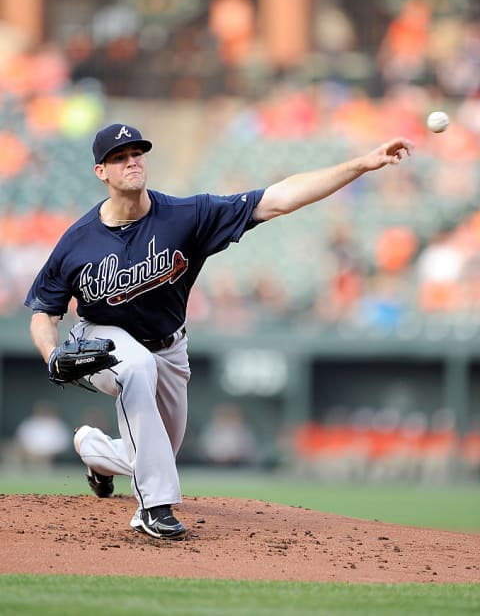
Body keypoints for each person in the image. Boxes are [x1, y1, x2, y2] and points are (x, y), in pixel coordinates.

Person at [24, 122, 413, 540]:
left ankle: (94, 451)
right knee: (135, 367)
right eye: (119, 157)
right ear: (101, 172)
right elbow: (43, 313)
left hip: (169, 347)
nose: (132, 161)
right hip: (103, 339)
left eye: (137, 153)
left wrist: (361, 164)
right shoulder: (78, 241)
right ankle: (153, 508)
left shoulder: (186, 216)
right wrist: (51, 354)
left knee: (157, 452)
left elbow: (277, 199)